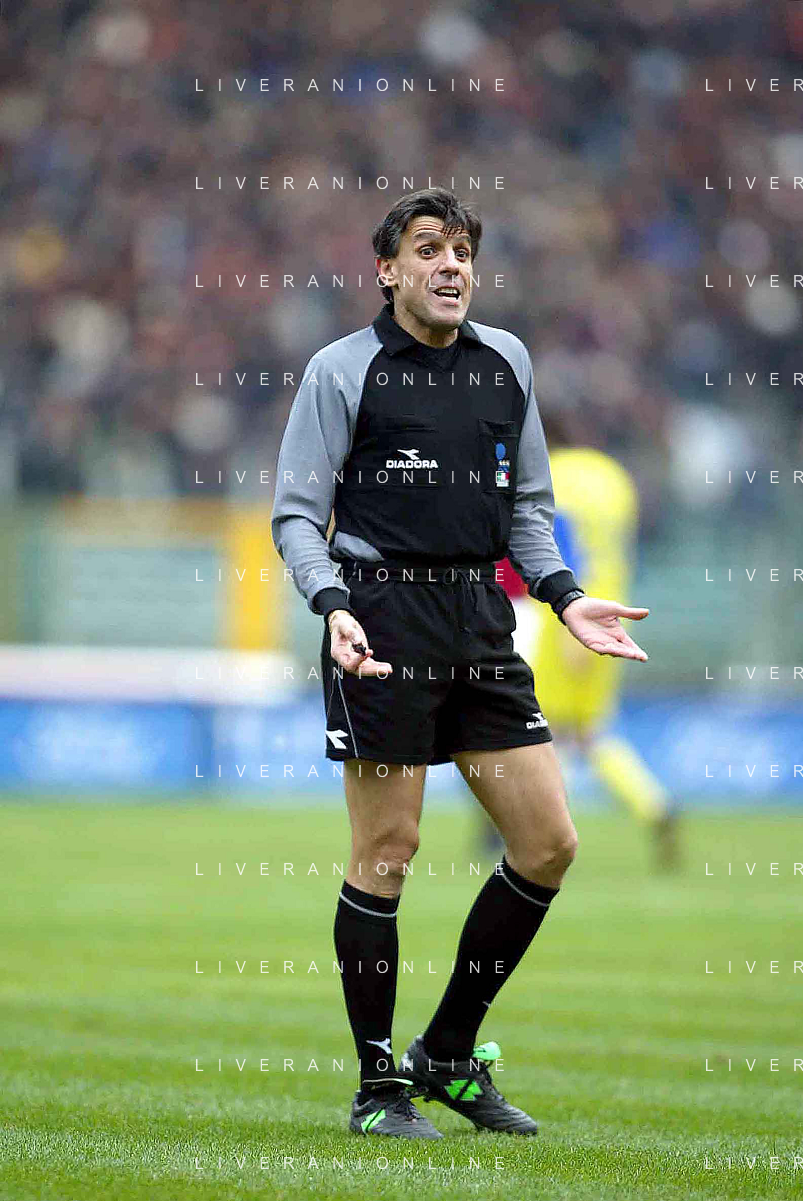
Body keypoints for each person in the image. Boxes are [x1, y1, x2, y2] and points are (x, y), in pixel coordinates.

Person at [271, 187, 649, 1140]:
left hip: (480, 619)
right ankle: (376, 1087)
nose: (450, 265)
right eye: (428, 248)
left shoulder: (505, 361)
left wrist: (563, 596)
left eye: (463, 252)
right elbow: (296, 516)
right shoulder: (340, 370)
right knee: (388, 850)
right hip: (380, 620)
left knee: (548, 842)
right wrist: (333, 605)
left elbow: (527, 507)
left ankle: (444, 1053)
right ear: (387, 270)